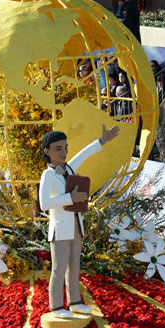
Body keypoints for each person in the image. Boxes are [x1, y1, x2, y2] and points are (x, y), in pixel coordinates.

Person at [39, 125, 120, 318]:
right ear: (47, 151)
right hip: (60, 228)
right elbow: (44, 204)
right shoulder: (48, 174)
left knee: (74, 265)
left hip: (76, 225)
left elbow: (82, 156)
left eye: (65, 148)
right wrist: (70, 198)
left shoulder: (68, 168)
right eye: (58, 149)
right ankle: (57, 306)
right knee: (59, 268)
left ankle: (74, 302)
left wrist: (101, 141)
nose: (64, 152)